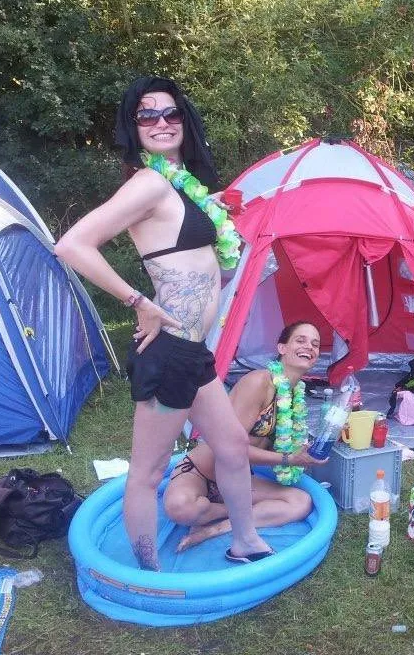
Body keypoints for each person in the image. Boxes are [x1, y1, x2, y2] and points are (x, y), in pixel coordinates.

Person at [55, 76, 271, 569]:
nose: (160, 122)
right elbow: (71, 245)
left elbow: (210, 268)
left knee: (232, 446)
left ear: (184, 121)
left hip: (192, 351)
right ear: (134, 128)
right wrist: (138, 301)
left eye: (170, 113)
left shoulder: (179, 185)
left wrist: (220, 230)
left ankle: (246, 541)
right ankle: (147, 575)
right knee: (148, 472)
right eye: (147, 115)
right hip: (170, 349)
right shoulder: (148, 184)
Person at [164, 322, 329, 552]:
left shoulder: (294, 395)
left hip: (237, 482)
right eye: (300, 340)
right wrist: (289, 459)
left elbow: (278, 447)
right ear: (282, 348)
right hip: (201, 473)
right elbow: (232, 449)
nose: (309, 347)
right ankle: (236, 513)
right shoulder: (259, 382)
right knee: (180, 508)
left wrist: (305, 453)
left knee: (301, 502)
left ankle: (216, 528)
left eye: (315, 344)